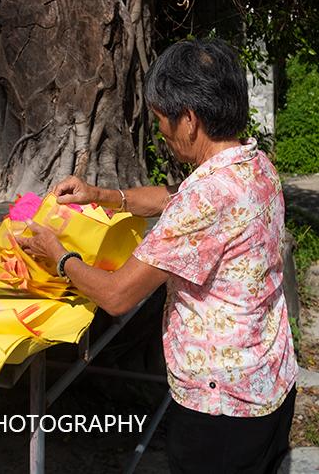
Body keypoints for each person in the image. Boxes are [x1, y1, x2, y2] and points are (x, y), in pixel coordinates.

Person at [17, 38, 297, 474]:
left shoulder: (204, 199)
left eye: (162, 120)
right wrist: (101, 195)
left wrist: (59, 256)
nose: (161, 133)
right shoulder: (254, 163)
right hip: (267, 375)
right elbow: (176, 197)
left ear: (190, 119)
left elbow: (116, 296)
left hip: (220, 406)